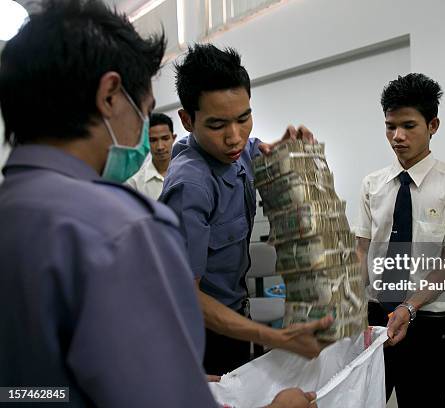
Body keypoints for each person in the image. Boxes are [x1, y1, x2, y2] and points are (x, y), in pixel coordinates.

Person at [0, 1, 317, 406]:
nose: (235, 137)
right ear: (111, 96)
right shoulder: (125, 229)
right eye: (145, 112)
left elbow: (34, 391)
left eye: (243, 120)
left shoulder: (13, 210)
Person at [159, 43, 330, 376]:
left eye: (243, 118)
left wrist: (294, 151)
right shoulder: (190, 186)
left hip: (236, 317)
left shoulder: (240, 154)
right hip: (198, 333)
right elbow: (185, 296)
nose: (234, 137)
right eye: (217, 125)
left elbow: (267, 154)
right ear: (187, 119)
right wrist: (275, 336)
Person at [355, 73, 445, 407]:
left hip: (427, 323)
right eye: (390, 126)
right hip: (375, 317)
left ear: (433, 125)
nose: (397, 136)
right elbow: (362, 250)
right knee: (365, 401)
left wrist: (410, 306)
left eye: (408, 126)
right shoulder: (372, 184)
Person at [125, 113, 176, 199]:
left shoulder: (188, 172)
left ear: (173, 138)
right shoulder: (134, 184)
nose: (160, 146)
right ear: (146, 141)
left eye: (165, 138)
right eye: (153, 140)